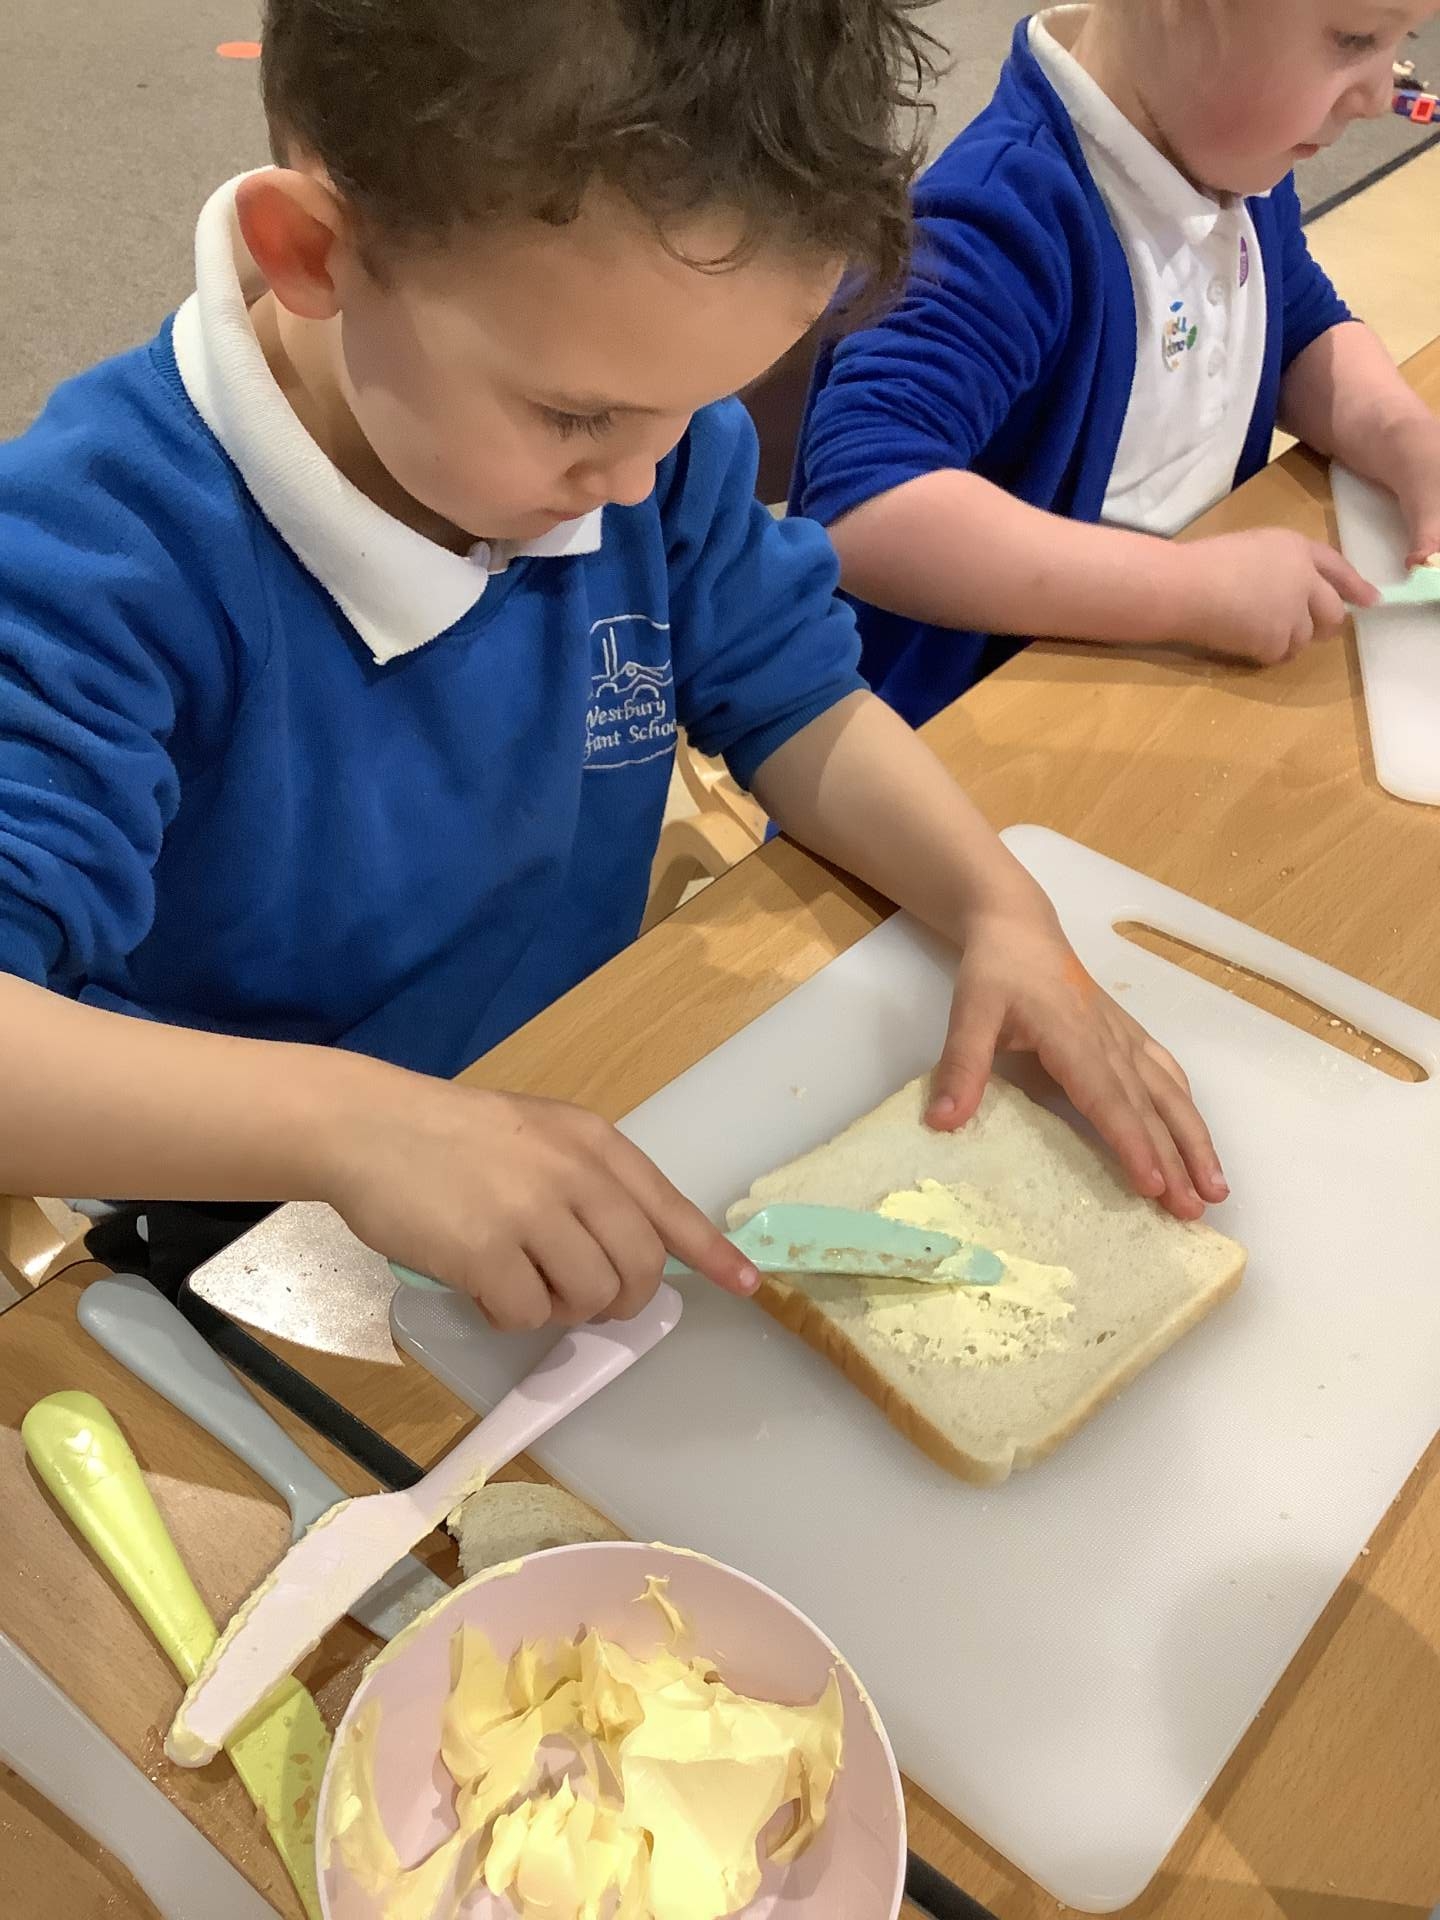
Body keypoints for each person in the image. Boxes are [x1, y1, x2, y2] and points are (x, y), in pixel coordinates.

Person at [0, 0, 1227, 1332]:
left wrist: (997, 907)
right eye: (575, 413)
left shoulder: (639, 450)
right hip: (245, 1218)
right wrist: (356, 1128)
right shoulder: (94, 557)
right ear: (313, 253)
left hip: (573, 1083)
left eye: (695, 408)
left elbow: (799, 697)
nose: (638, 482)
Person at [795, 0, 1440, 728]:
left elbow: (1299, 328)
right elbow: (865, 509)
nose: (1381, 97)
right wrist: (1193, 590)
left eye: (1404, 41)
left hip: (1169, 672)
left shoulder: (1235, 157)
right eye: (1355, 40)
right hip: (991, 724)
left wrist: (1405, 436)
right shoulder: (999, 221)